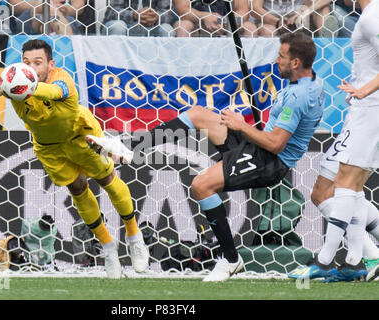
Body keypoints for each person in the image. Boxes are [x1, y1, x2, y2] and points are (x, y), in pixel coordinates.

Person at [86, 32, 325, 282]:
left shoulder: (298, 97)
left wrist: (241, 126)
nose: (277, 60)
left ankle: (231, 259)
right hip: (260, 148)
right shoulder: (311, 84)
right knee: (198, 114)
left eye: (282, 56)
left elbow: (276, 144)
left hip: (270, 162)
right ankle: (130, 147)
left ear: (296, 63)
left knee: (201, 185)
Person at [0, 39, 150, 279]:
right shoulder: (16, 88)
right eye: (26, 63)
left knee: (107, 179)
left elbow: (57, 92)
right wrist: (2, 85)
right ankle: (108, 247)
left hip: (81, 136)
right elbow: (12, 87)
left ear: (50, 64)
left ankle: (133, 235)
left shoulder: (61, 78)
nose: (31, 68)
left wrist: (20, 85)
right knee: (78, 188)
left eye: (38, 62)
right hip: (49, 147)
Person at [288, 0, 379, 282]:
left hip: (370, 109)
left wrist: (364, 91)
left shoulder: (372, 14)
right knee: (341, 186)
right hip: (362, 111)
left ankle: (326, 262)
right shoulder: (369, 13)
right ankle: (359, 261)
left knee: (345, 184)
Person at [251, 0, 339, 37]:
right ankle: (272, 63)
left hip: (302, 14)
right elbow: (254, 9)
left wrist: (305, 12)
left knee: (323, 8)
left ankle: (327, 41)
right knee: (268, 30)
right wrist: (277, 22)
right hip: (272, 17)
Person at [173, 0, 258, 37]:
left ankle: (248, 69)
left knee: (250, 27)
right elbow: (182, 9)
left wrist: (228, 22)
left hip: (228, 24)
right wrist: (203, 17)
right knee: (182, 26)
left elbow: (243, 11)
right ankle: (186, 70)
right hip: (197, 23)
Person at [101, 0, 177, 37]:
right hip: (125, 26)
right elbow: (111, 12)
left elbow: (168, 14)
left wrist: (155, 16)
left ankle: (162, 67)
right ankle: (116, 66)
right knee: (117, 26)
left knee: (167, 29)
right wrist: (134, 15)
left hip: (151, 27)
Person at [8, 0, 86, 35]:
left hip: (65, 18)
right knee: (45, 6)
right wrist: (42, 4)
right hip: (29, 18)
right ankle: (69, 53)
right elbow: (14, 4)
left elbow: (79, 7)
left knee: (44, 28)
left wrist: (65, 9)